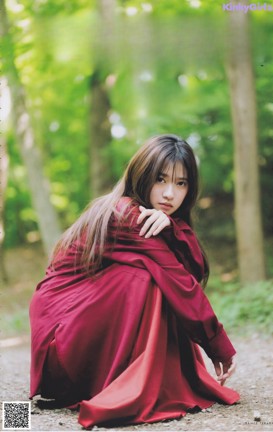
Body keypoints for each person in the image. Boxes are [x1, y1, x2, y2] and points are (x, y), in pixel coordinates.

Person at [29, 134, 239, 428]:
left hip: (72, 333)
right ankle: (15, 419)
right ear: (142, 176)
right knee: (148, 278)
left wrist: (171, 229)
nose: (169, 194)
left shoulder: (154, 218)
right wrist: (219, 347)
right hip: (61, 340)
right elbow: (181, 282)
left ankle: (142, 378)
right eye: (160, 180)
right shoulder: (128, 214)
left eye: (181, 183)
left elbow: (192, 268)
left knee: (152, 274)